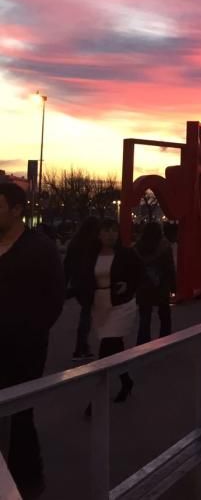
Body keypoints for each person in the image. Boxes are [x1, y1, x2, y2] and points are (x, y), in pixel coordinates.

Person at [0, 182, 65, 497]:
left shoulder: (39, 248)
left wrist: (27, 331)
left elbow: (53, 300)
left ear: (16, 210)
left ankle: (28, 482)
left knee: (19, 415)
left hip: (23, 349)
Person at [71, 218, 142, 406]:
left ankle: (97, 399)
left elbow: (139, 274)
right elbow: (82, 278)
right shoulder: (91, 255)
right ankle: (126, 381)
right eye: (106, 231)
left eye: (114, 231)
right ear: (99, 234)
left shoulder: (126, 254)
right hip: (101, 304)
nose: (111, 235)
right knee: (114, 348)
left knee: (107, 348)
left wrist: (127, 285)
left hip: (122, 305)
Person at [63, 216, 101, 360]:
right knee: (87, 315)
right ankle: (81, 347)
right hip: (91, 281)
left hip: (78, 281)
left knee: (86, 314)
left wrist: (65, 283)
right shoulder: (95, 243)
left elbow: (67, 264)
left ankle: (82, 347)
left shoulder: (75, 242)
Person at [135, 222, 176, 345]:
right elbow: (170, 268)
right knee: (164, 315)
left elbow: (134, 269)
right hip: (161, 286)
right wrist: (174, 286)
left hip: (143, 287)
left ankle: (142, 343)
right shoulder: (164, 246)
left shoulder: (137, 247)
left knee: (145, 318)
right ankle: (165, 340)